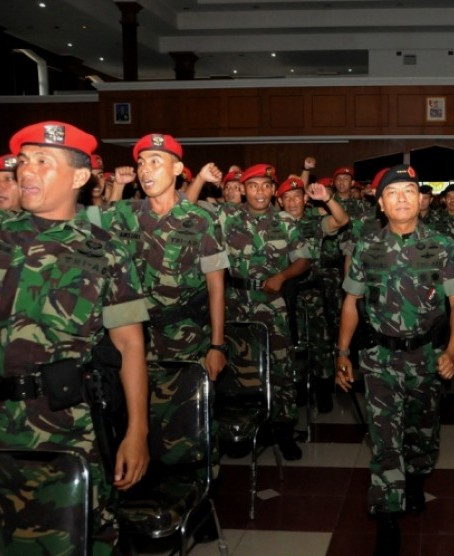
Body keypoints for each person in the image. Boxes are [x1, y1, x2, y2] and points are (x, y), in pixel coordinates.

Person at [0, 121, 150, 555]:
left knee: (77, 538)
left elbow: (130, 344)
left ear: (80, 177)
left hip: (66, 426)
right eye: (24, 161)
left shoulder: (107, 250)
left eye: (44, 161)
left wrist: (137, 431)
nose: (27, 171)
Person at [335, 164, 454, 556]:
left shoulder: (443, 245)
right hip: (378, 357)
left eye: (409, 191)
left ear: (420, 200)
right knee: (385, 440)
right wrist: (342, 353)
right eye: (393, 193)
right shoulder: (366, 247)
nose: (401, 198)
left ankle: (416, 480)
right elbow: (351, 302)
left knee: (422, 432)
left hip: (427, 356)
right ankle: (386, 515)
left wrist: (452, 350)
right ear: (380, 204)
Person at [96, 133, 229, 381]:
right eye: (141, 163)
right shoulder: (123, 214)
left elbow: (216, 286)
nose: (146, 170)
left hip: (185, 337)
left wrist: (217, 346)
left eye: (155, 161)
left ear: (177, 168)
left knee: (186, 416)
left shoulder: (202, 220)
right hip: (132, 339)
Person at [216, 166, 312, 459]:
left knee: (281, 367)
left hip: (272, 305)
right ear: (243, 190)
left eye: (265, 186)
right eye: (253, 186)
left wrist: (282, 276)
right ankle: (242, 431)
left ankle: (283, 431)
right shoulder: (226, 219)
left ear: (273, 191)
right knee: (237, 367)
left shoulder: (285, 222)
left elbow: (304, 259)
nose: (259, 191)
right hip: (234, 301)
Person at [277, 174, 349, 414]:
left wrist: (327, 198)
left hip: (313, 294)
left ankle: (323, 391)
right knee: (291, 344)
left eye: (296, 197)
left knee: (320, 343)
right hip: (284, 295)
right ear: (280, 202)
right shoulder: (274, 224)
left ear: (304, 200)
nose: (292, 203)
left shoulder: (315, 223)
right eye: (287, 198)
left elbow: (341, 220)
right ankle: (297, 390)